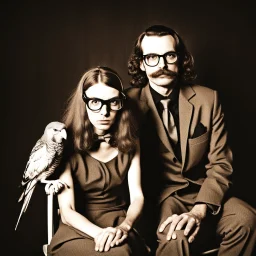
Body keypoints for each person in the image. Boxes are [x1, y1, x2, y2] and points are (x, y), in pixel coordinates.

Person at [126, 24, 256, 256]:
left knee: (247, 219)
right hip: (161, 198)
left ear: (181, 58)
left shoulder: (208, 99)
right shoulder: (126, 104)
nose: (162, 65)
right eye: (152, 58)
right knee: (175, 236)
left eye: (170, 56)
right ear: (142, 63)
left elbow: (221, 164)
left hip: (206, 192)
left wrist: (200, 209)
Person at [48, 66, 149, 255]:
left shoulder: (132, 140)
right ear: (83, 103)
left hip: (118, 224)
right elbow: (67, 210)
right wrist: (100, 234)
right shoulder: (66, 143)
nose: (104, 111)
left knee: (122, 252)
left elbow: (137, 196)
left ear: (122, 103)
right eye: (95, 102)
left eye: (113, 102)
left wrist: (125, 227)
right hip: (78, 227)